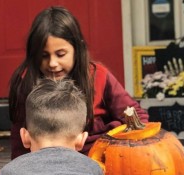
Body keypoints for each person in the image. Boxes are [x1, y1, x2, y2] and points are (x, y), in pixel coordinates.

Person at [8, 6, 149, 160]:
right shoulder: (26, 82)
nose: (53, 63)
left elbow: (137, 116)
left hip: (98, 158)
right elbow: (19, 139)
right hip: (45, 163)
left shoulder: (97, 76)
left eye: (61, 54)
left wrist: (111, 131)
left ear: (77, 48)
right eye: (44, 56)